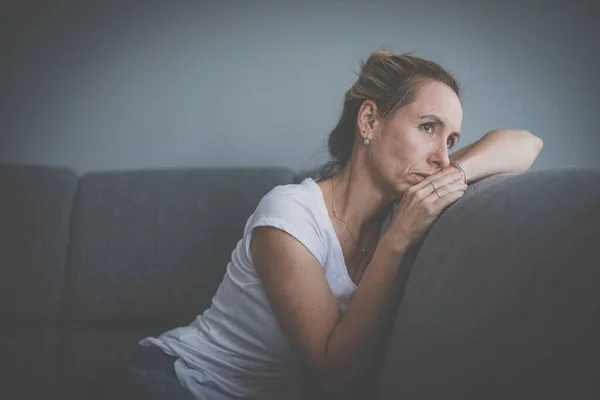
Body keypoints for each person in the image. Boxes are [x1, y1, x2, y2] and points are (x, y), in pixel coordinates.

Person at [101, 50, 543, 399]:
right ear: (369, 120)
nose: (442, 158)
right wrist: (398, 238)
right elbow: (334, 376)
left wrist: (456, 175)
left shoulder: (410, 201)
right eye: (428, 127)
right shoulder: (291, 214)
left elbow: (526, 144)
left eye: (451, 141)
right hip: (170, 381)